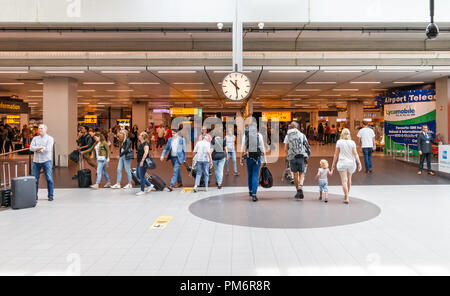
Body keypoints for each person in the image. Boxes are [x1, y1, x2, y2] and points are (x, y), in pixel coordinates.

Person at [331, 128, 362, 204]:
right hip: (351, 163)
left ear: (342, 134)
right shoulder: (352, 143)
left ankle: (346, 196)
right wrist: (359, 163)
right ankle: (347, 195)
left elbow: (336, 154)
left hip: (342, 163)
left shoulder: (339, 142)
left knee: (344, 181)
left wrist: (333, 164)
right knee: (349, 180)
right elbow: (355, 154)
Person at [240, 123, 267, 202]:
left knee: (250, 174)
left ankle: (250, 191)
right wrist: (265, 159)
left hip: (249, 158)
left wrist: (241, 159)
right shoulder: (259, 136)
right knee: (255, 175)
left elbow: (242, 148)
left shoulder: (245, 136)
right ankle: (254, 195)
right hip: (257, 159)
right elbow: (262, 148)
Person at [284, 121, 311, 199]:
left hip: (292, 157)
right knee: (302, 173)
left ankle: (297, 191)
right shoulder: (302, 135)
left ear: (291, 127)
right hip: (301, 156)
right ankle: (300, 188)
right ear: (297, 127)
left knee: (295, 174)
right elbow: (307, 146)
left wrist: (288, 155)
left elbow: (285, 149)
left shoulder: (288, 136)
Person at [30, 124, 54, 201]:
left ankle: (50, 195)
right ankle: (34, 195)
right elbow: (31, 148)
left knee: (49, 179)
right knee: (35, 179)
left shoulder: (50, 138)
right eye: (39, 128)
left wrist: (37, 149)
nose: (40, 130)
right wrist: (41, 148)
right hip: (36, 161)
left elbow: (48, 150)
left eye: (41, 128)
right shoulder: (35, 138)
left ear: (45, 129)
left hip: (46, 161)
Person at [136, 132, 154, 196]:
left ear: (143, 137)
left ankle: (142, 190)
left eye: (140, 135)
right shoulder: (141, 143)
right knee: (138, 175)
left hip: (143, 162)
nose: (139, 136)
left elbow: (146, 153)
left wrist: (142, 161)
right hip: (139, 161)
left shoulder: (146, 144)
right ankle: (149, 185)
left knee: (141, 176)